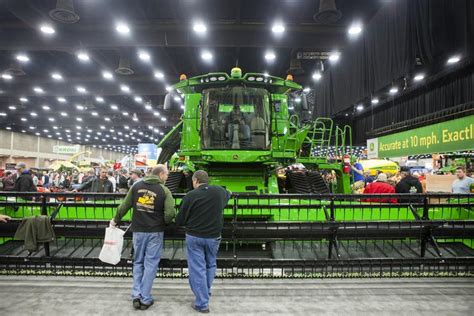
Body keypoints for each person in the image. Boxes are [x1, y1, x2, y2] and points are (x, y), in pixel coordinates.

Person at [110, 165, 175, 310]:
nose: (167, 177)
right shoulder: (164, 190)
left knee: (138, 262)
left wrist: (115, 220)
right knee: (150, 264)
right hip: (155, 232)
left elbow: (124, 206)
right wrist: (163, 222)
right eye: (166, 175)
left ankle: (136, 295)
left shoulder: (136, 186)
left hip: (138, 231)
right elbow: (170, 213)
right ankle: (145, 298)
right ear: (160, 174)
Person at [176, 170, 231, 313]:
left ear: (195, 181)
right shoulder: (219, 192)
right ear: (208, 180)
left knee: (197, 268)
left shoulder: (190, 196)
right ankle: (205, 292)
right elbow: (229, 193)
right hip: (214, 237)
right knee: (210, 264)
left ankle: (202, 303)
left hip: (195, 237)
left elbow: (180, 220)